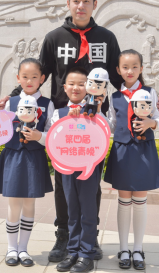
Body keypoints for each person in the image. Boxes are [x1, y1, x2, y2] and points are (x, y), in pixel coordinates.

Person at [0, 0, 122, 262]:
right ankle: (63, 237)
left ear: (94, 4)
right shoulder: (55, 37)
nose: (81, 5)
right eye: (76, 0)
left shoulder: (107, 38)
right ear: (68, 3)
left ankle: (89, 238)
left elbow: (118, 77)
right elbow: (39, 74)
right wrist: (13, 96)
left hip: (94, 123)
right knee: (65, 182)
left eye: (86, 1)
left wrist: (145, 95)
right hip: (61, 123)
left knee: (91, 181)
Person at [0, 58, 54, 267]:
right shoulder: (11, 102)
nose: (29, 80)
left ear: (42, 79)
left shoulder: (47, 104)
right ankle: (11, 248)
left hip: (34, 157)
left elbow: (53, 134)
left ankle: (24, 249)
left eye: (34, 77)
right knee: (14, 203)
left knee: (29, 203)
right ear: (18, 78)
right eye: (25, 77)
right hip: (14, 156)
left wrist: (39, 137)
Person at [104, 49, 159, 271]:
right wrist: (95, 120)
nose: (130, 71)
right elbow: (111, 124)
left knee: (140, 200)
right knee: (123, 201)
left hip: (143, 151)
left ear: (141, 68)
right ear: (118, 70)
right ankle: (123, 248)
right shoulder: (114, 97)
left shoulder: (150, 92)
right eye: (125, 67)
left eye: (134, 67)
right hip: (121, 152)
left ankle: (138, 248)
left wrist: (151, 123)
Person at [50, 67, 107, 272]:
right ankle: (73, 252)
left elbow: (106, 132)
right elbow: (53, 138)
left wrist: (93, 114)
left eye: (82, 84)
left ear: (90, 86)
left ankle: (86, 254)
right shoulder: (59, 113)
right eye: (71, 84)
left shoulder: (96, 109)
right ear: (64, 88)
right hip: (66, 169)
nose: (76, 87)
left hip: (88, 169)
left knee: (88, 212)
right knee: (72, 212)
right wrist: (69, 119)